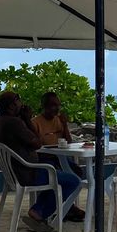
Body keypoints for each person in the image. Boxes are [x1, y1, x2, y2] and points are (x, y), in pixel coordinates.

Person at [0, 91, 82, 232]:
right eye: (19, 100)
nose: (22, 104)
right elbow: (37, 143)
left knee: (58, 173)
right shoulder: (14, 123)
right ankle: (40, 212)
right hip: (28, 173)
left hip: (14, 173)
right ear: (12, 105)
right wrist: (26, 120)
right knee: (73, 180)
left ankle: (40, 210)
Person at [31, 92, 85, 222]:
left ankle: (67, 206)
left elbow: (68, 142)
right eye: (53, 105)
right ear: (44, 106)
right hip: (45, 159)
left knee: (77, 171)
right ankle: (59, 208)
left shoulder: (58, 121)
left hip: (61, 157)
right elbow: (35, 147)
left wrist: (65, 124)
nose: (57, 109)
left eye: (58, 105)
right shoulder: (36, 122)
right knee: (60, 176)